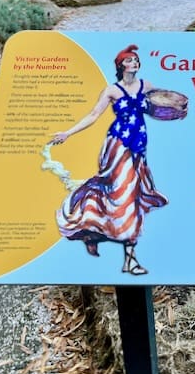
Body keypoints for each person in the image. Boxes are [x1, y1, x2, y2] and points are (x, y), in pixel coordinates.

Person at [51, 44, 170, 275]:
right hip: (117, 146)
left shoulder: (147, 86)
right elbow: (94, 115)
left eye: (136, 60)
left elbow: (164, 105)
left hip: (138, 147)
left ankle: (120, 251)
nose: (134, 63)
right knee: (121, 195)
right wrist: (68, 133)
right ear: (121, 65)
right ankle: (120, 251)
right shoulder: (111, 91)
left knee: (132, 196)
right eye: (129, 60)